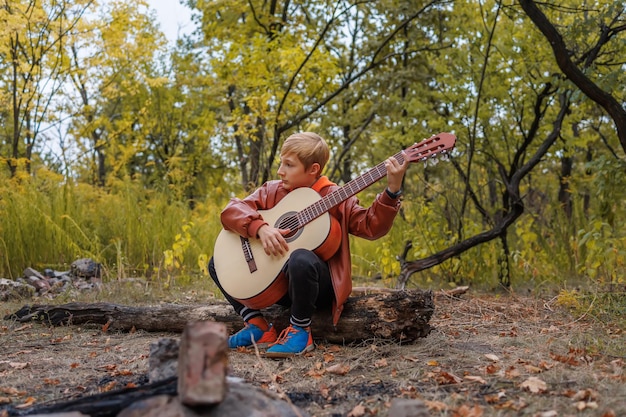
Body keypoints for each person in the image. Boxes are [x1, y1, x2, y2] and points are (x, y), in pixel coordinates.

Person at [208, 132, 408, 358]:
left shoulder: (336, 196)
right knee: (217, 264)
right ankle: (257, 327)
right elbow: (231, 211)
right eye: (281, 163)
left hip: (317, 286)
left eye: (289, 165)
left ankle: (300, 331)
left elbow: (371, 227)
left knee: (300, 258)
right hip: (279, 284)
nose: (280, 171)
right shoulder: (272, 190)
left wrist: (392, 191)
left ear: (313, 169)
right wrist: (261, 228)